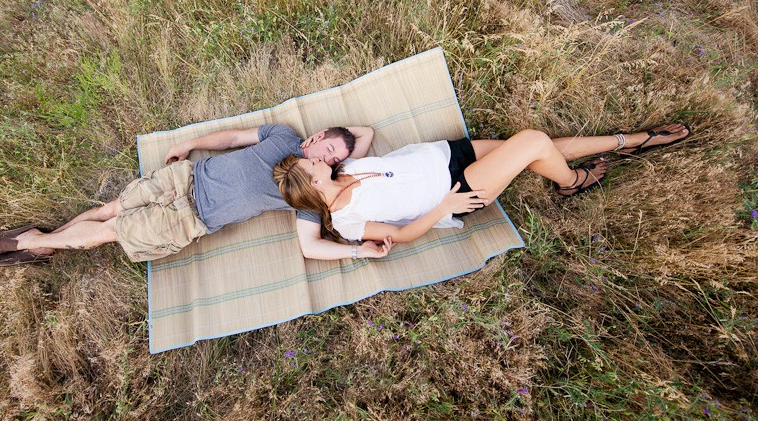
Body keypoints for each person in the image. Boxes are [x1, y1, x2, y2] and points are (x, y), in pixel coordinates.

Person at [274, 124, 691, 260]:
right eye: (313, 164)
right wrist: (445, 207)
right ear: (313, 183)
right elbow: (400, 236)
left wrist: (318, 144)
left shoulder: (344, 165)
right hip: (457, 189)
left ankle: (631, 139)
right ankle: (573, 182)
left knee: (536, 148)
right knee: (530, 141)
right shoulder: (346, 222)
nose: (319, 159)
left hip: (446, 153)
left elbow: (359, 134)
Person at [0, 124, 375, 265]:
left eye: (336, 160)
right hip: (185, 177)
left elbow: (365, 139)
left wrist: (336, 166)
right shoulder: (284, 136)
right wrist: (191, 142)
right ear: (318, 136)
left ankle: (32, 241)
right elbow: (234, 137)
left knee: (113, 229)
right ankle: (44, 245)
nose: (331, 160)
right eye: (329, 150)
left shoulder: (308, 195)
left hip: (190, 219)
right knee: (110, 208)